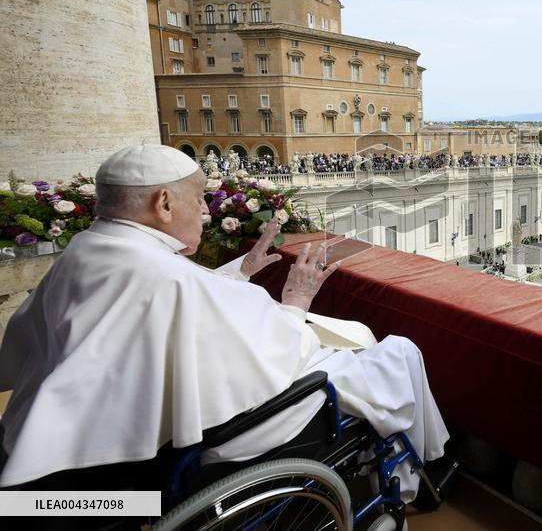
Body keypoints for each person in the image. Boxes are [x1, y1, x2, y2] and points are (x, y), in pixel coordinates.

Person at [0, 145, 448, 499]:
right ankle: (424, 467)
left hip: (80, 433)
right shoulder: (164, 273)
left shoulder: (91, 246)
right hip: (220, 435)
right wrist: (296, 299)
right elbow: (273, 350)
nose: (207, 211)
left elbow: (176, 299)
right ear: (163, 203)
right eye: (198, 199)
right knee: (398, 351)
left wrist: (243, 269)